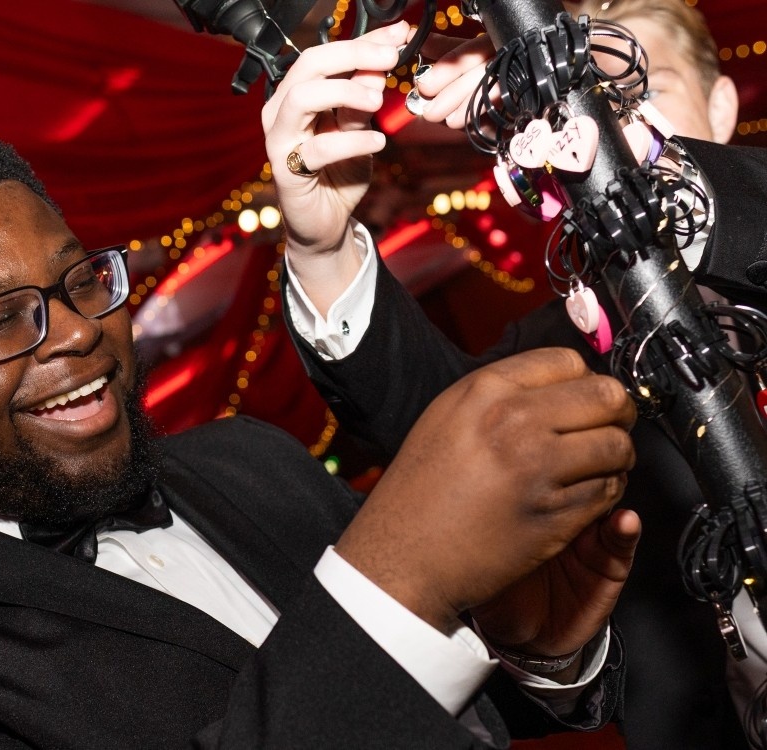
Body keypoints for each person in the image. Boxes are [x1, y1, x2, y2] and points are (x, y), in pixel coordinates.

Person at [0, 32, 641, 749]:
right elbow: (384, 641)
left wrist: (543, 656)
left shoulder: (250, 456)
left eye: (79, 281)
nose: (76, 330)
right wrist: (397, 583)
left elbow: (445, 707)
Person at [270, 1, 762, 747]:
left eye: (636, 84)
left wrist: (623, 170)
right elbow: (434, 437)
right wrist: (322, 246)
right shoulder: (565, 338)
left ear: (721, 104)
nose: (601, 119)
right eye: (589, 96)